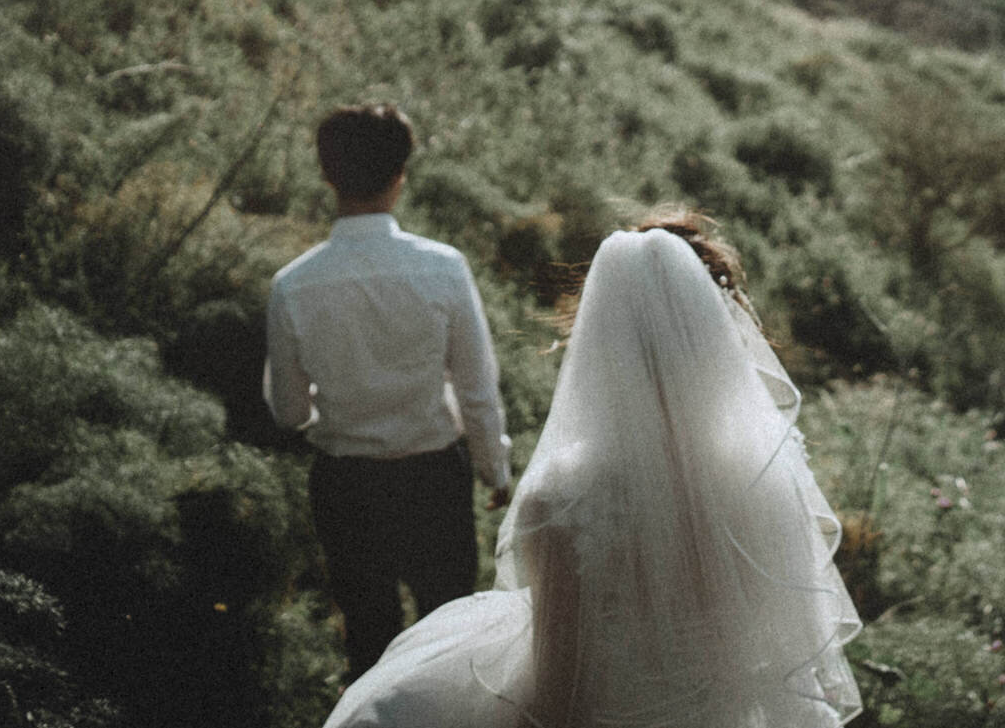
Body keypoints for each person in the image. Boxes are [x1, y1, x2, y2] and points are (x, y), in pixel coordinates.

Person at [324, 210, 862, 728]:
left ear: (600, 344)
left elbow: (559, 698)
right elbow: (782, 654)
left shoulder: (566, 499)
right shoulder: (766, 474)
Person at [266, 103, 515, 681]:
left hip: (346, 485)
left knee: (370, 642)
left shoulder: (293, 285)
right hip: (433, 477)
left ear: (327, 176)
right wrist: (494, 470)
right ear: (400, 177)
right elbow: (477, 387)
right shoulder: (443, 268)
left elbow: (288, 410)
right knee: (451, 639)